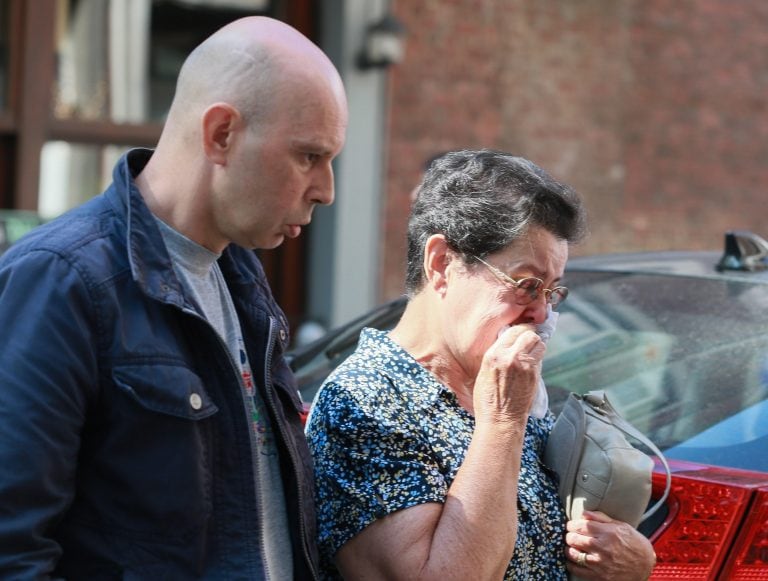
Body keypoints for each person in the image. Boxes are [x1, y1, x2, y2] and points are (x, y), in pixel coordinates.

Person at [0, 16, 347, 579]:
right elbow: (12, 547)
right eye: (309, 156)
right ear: (221, 135)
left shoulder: (244, 282)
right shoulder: (60, 280)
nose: (327, 190)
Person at [306, 150, 657, 580]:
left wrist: (633, 564)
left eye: (553, 291)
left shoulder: (506, 385)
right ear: (442, 264)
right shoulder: (367, 400)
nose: (543, 314)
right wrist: (503, 422)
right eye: (527, 285)